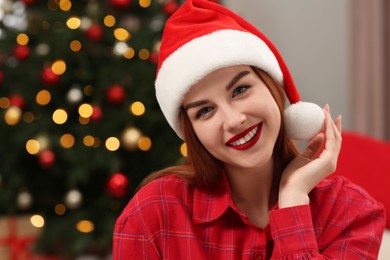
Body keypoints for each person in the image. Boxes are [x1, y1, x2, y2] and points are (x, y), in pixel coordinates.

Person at [113, 0, 386, 259]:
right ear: (192, 131)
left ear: (272, 87)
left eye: (240, 90)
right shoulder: (152, 215)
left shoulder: (351, 213)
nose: (232, 120)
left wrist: (292, 202)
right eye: (205, 110)